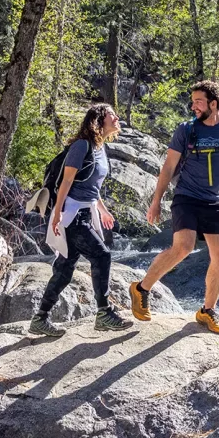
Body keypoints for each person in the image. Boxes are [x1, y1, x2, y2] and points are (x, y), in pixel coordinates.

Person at [129, 80, 219, 334]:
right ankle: (141, 289)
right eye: (193, 101)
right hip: (186, 197)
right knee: (183, 247)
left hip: (214, 201)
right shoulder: (186, 130)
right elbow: (168, 167)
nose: (193, 106)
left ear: (213, 104)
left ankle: (207, 311)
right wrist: (156, 201)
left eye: (198, 101)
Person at [28, 103, 133, 336]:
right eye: (112, 115)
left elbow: (92, 188)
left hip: (86, 212)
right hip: (72, 215)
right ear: (99, 120)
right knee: (102, 255)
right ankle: (104, 312)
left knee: (64, 270)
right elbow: (66, 182)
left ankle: (40, 318)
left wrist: (103, 210)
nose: (117, 118)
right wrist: (56, 215)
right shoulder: (81, 146)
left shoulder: (99, 147)